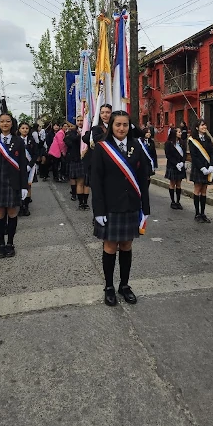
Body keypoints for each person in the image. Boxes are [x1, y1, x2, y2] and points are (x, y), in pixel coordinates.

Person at [91, 110, 150, 307]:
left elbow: (143, 178)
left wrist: (145, 207)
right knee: (109, 246)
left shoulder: (136, 146)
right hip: (110, 206)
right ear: (111, 126)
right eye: (118, 125)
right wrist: (98, 211)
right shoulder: (101, 148)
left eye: (125, 125)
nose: (121, 128)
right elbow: (96, 181)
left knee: (126, 245)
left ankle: (124, 285)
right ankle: (109, 287)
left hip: (131, 204)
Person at [0, 113, 28, 258]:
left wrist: (24, 186)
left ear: (12, 123)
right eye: (2, 121)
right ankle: (1, 244)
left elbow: (22, 164)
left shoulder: (19, 141)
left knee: (12, 213)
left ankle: (10, 243)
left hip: (13, 183)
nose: (5, 124)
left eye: (8, 121)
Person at [188, 119, 213, 223]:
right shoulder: (192, 140)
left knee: (204, 191)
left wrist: (212, 165)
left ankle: (203, 213)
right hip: (198, 168)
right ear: (197, 127)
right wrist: (202, 168)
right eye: (202, 125)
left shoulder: (208, 139)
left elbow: (212, 153)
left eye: (205, 125)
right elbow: (194, 156)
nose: (204, 127)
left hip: (208, 168)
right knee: (197, 189)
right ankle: (197, 213)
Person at [82, 103, 112, 188]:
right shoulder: (96, 128)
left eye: (108, 112)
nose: (105, 115)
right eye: (102, 112)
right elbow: (94, 139)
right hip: (98, 163)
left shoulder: (116, 127)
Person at [65, 115, 90, 210]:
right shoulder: (72, 132)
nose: (80, 122)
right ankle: (80, 203)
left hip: (87, 159)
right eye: (78, 120)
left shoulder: (88, 131)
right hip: (77, 158)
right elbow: (68, 142)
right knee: (80, 182)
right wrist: (78, 135)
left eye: (82, 120)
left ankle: (86, 203)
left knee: (86, 183)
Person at [18, 121, 38, 216]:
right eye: (23, 128)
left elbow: (35, 154)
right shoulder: (16, 140)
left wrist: (30, 165)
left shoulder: (31, 140)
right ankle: (21, 207)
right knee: (19, 187)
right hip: (18, 167)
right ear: (19, 129)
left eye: (26, 128)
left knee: (28, 187)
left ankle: (26, 207)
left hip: (29, 166)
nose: (25, 130)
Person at [164, 127, 187, 210]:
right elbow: (168, 156)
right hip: (172, 166)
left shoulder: (182, 142)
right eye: (179, 132)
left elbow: (184, 154)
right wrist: (176, 163)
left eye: (180, 132)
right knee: (172, 183)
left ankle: (178, 201)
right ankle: (172, 201)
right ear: (174, 133)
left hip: (180, 165)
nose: (180, 133)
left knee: (179, 184)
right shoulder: (168, 143)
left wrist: (182, 162)